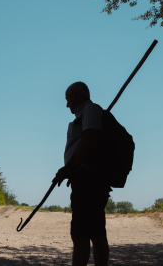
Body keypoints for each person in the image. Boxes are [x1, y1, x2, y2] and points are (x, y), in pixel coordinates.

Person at [53, 81, 112, 266]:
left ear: (75, 97)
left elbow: (90, 141)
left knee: (82, 235)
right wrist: (71, 171)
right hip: (83, 181)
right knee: (92, 232)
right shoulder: (84, 115)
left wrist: (69, 168)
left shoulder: (91, 110)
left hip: (90, 182)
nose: (67, 104)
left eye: (68, 99)